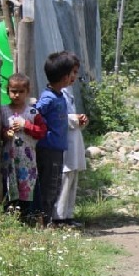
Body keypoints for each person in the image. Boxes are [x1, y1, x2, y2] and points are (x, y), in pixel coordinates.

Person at [33, 51, 77, 226]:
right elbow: (35, 112)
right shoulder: (49, 98)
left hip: (57, 148)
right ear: (64, 77)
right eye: (72, 73)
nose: (73, 77)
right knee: (49, 185)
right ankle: (44, 220)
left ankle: (46, 219)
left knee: (54, 184)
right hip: (49, 148)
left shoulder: (59, 95)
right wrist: (42, 128)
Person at [0, 73, 48, 217]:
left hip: (27, 162)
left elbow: (42, 132)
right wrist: (6, 133)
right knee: (9, 185)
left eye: (21, 91)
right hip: (9, 162)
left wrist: (26, 125)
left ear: (27, 92)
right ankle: (11, 215)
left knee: (28, 186)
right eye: (13, 91)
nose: (17, 95)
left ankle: (30, 216)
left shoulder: (32, 113)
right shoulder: (3, 111)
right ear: (8, 91)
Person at [54, 53, 89, 228]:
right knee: (64, 178)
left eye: (76, 72)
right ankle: (58, 217)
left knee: (73, 177)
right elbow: (57, 118)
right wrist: (74, 119)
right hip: (64, 142)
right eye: (71, 72)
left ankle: (68, 215)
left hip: (74, 140)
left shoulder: (68, 92)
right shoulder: (55, 95)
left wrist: (80, 120)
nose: (74, 76)